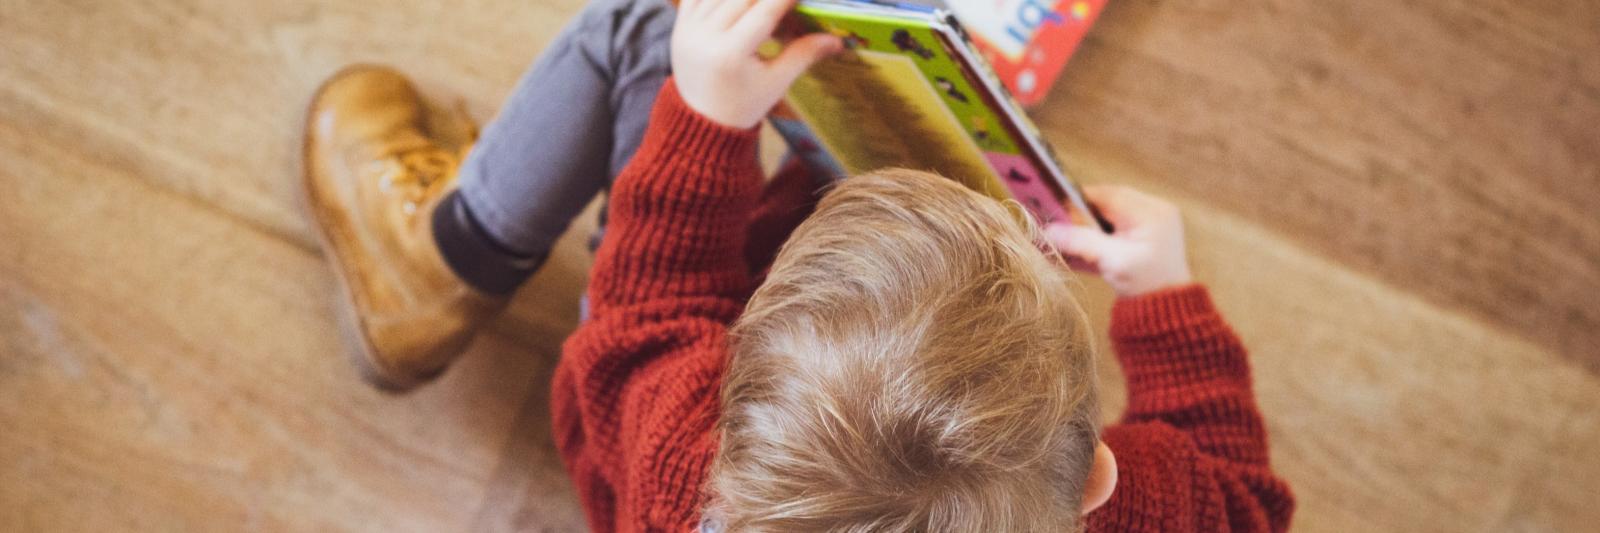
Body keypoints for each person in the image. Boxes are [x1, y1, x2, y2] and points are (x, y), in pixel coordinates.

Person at [304, 0, 1294, 530]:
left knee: (649, 25)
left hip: (631, 394)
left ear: (736, 420)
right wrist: (1165, 302)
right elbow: (1242, 499)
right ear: (1094, 480)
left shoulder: (686, 466)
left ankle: (436, 261)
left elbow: (649, 311)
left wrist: (704, 122)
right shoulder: (1144, 512)